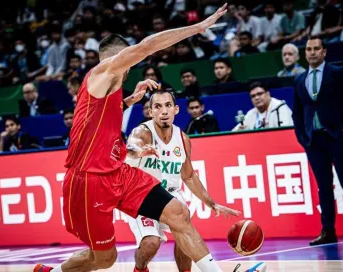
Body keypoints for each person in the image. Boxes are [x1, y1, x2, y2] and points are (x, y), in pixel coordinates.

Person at [34, 4, 229, 272]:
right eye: (127, 62)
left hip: (118, 174)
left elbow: (97, 118)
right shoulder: (103, 72)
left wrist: (128, 101)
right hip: (88, 182)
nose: (130, 69)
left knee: (179, 214)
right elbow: (148, 46)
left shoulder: (107, 90)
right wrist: (197, 28)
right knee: (104, 259)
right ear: (117, 58)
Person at [125, 90, 239, 272]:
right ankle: (140, 268)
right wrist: (138, 151)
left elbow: (188, 176)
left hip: (169, 193)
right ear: (150, 111)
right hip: (141, 196)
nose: (163, 111)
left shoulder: (183, 139)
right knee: (151, 243)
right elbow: (131, 145)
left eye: (168, 105)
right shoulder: (143, 132)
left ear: (176, 109)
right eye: (158, 106)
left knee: (183, 231)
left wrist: (212, 204)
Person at [292, 36, 343, 246]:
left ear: (324, 52)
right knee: (323, 187)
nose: (312, 52)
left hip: (338, 136)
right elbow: (298, 113)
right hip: (314, 141)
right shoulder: (299, 80)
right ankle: (328, 231)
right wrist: (302, 137)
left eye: (317, 48)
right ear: (305, 53)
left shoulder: (336, 73)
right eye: (309, 49)